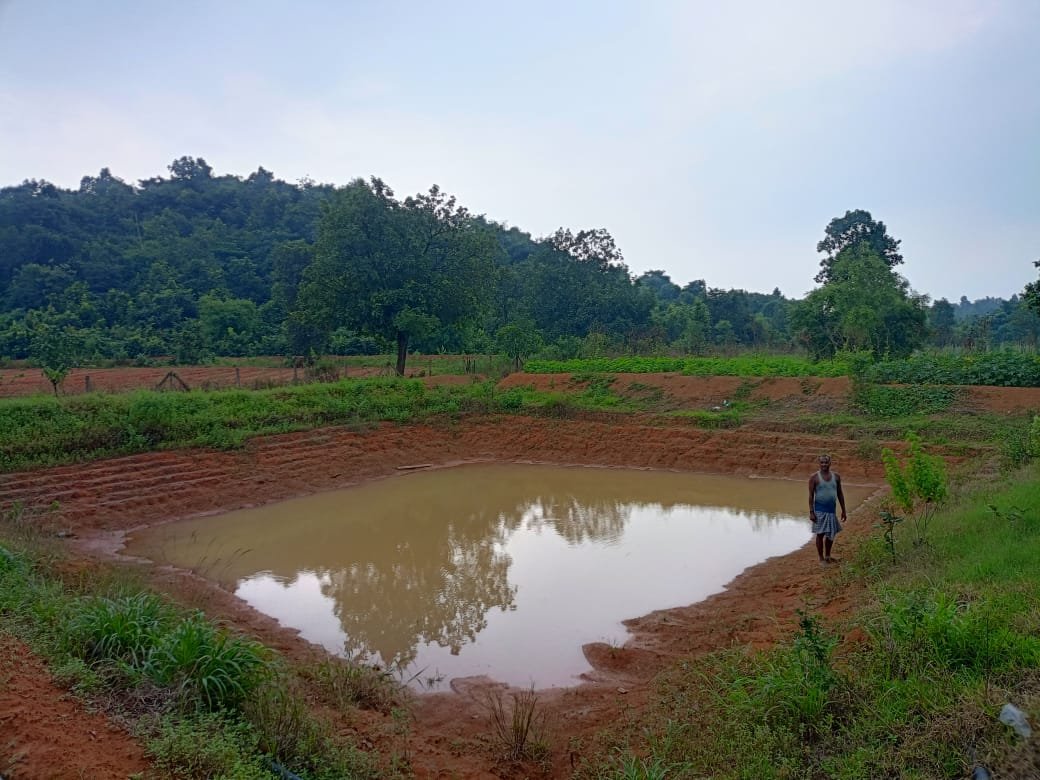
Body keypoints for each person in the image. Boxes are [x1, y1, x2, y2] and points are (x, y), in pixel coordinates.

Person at [809, 454, 846, 564]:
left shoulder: (836, 477)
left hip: (831, 511)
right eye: (822, 462)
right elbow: (811, 496)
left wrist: (844, 510)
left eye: (826, 462)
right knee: (820, 534)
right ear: (819, 463)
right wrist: (811, 512)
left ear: (830, 463)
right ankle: (821, 559)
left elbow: (840, 494)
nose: (824, 464)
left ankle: (828, 556)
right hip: (819, 511)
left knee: (831, 534)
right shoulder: (814, 477)